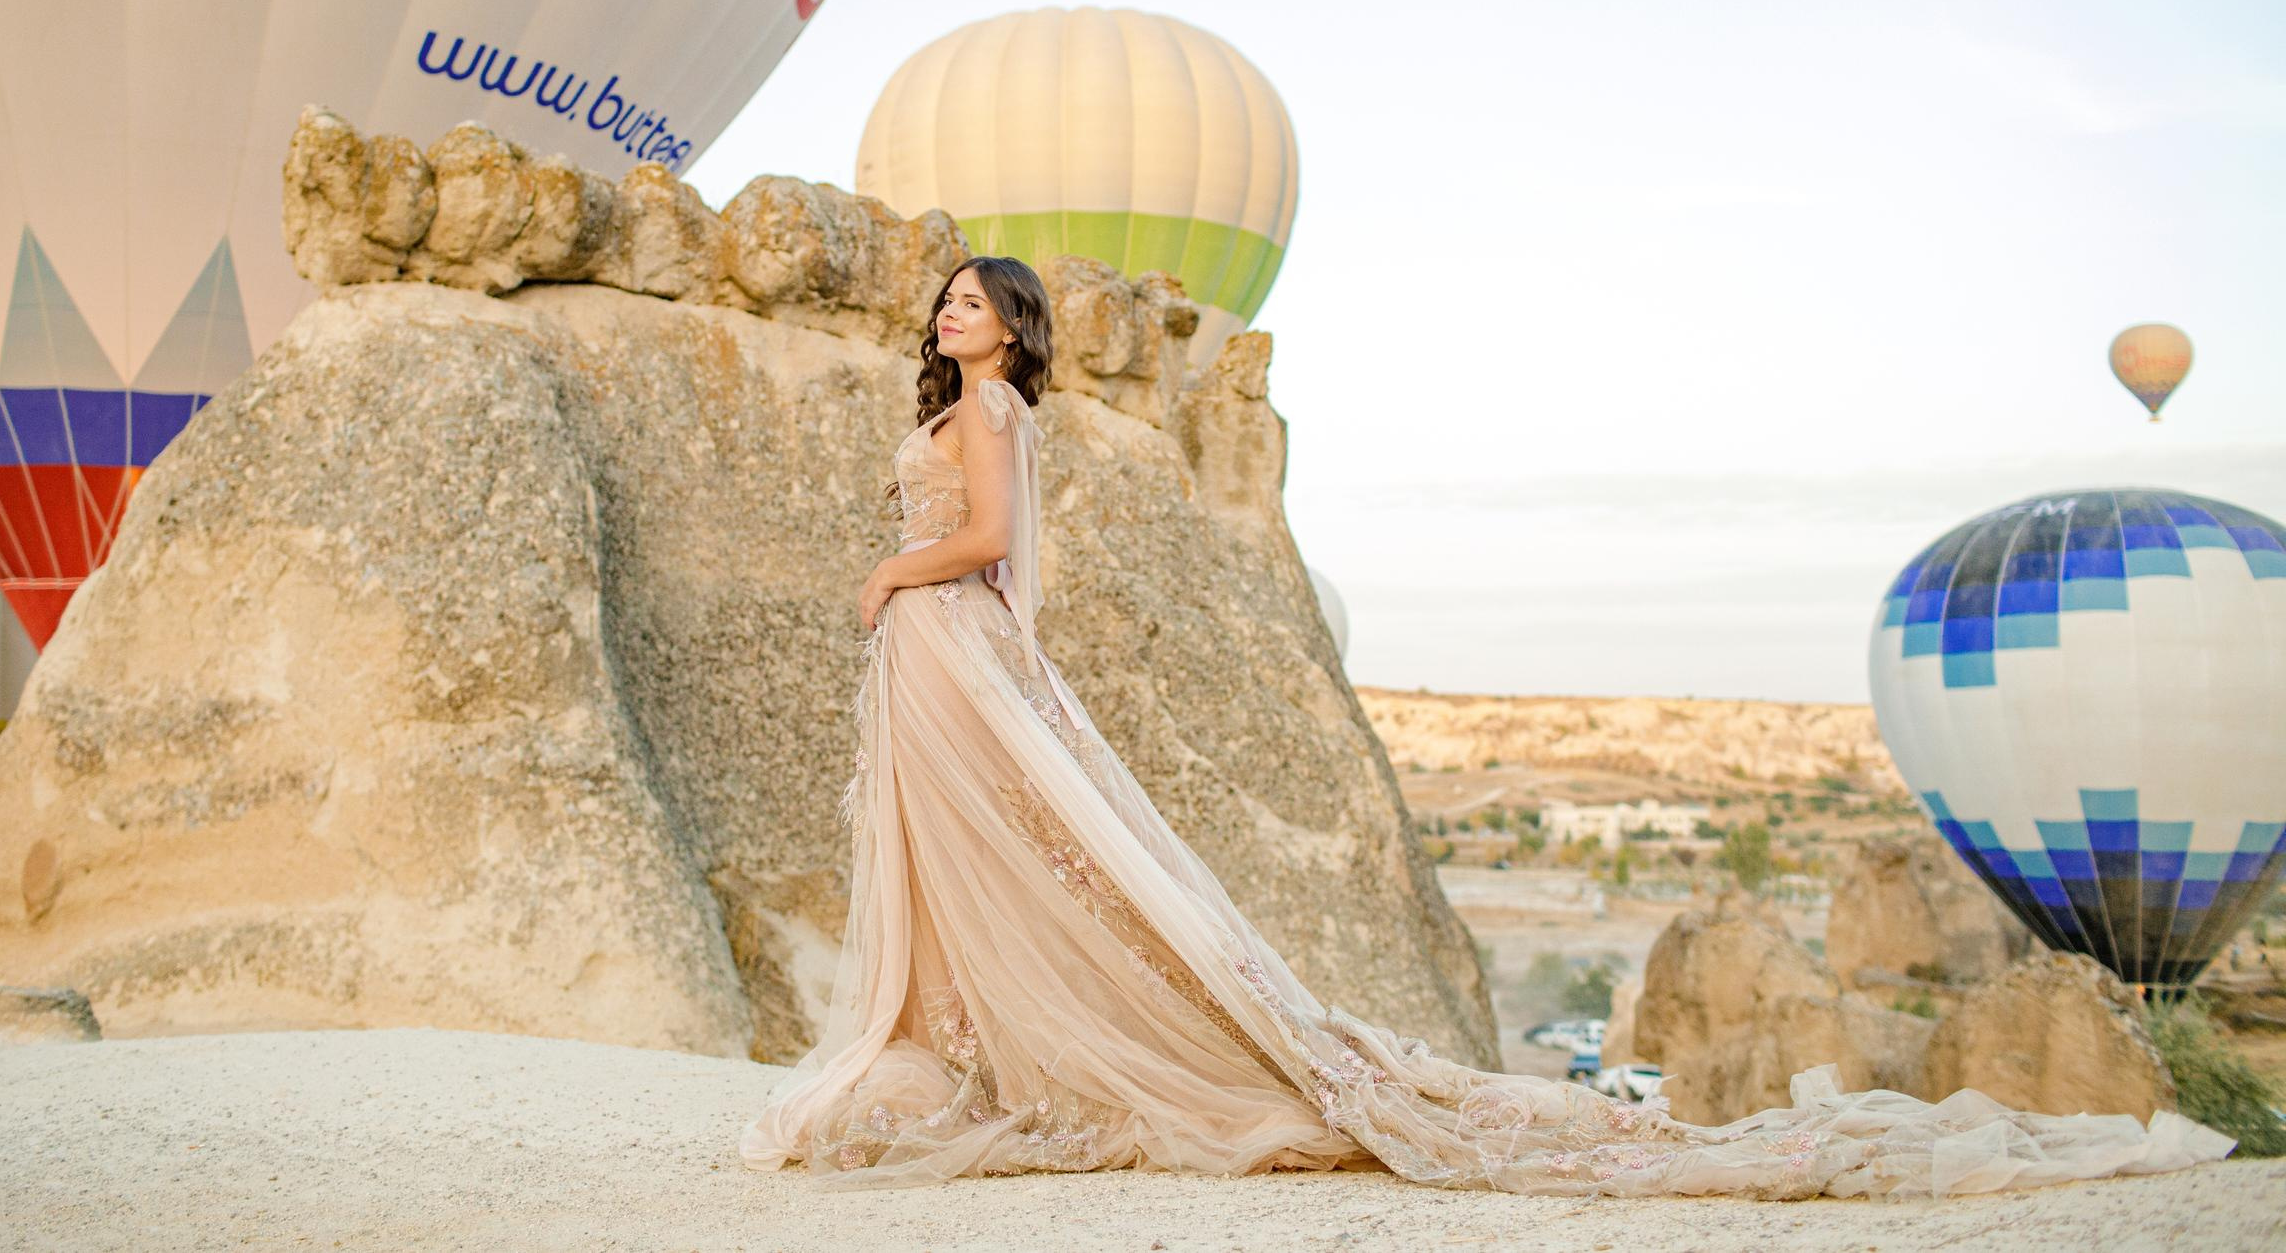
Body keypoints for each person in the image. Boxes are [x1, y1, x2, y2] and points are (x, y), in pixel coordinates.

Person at [739, 257, 2232, 1196]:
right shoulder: (960, 407)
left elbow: (990, 543)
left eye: (977, 304)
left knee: (1004, 849)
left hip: (944, 631)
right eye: (947, 301)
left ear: (1017, 330)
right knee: (960, 854)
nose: (951, 314)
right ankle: (961, 1046)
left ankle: (1007, 1052)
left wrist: (889, 573)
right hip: (937, 655)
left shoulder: (994, 415)